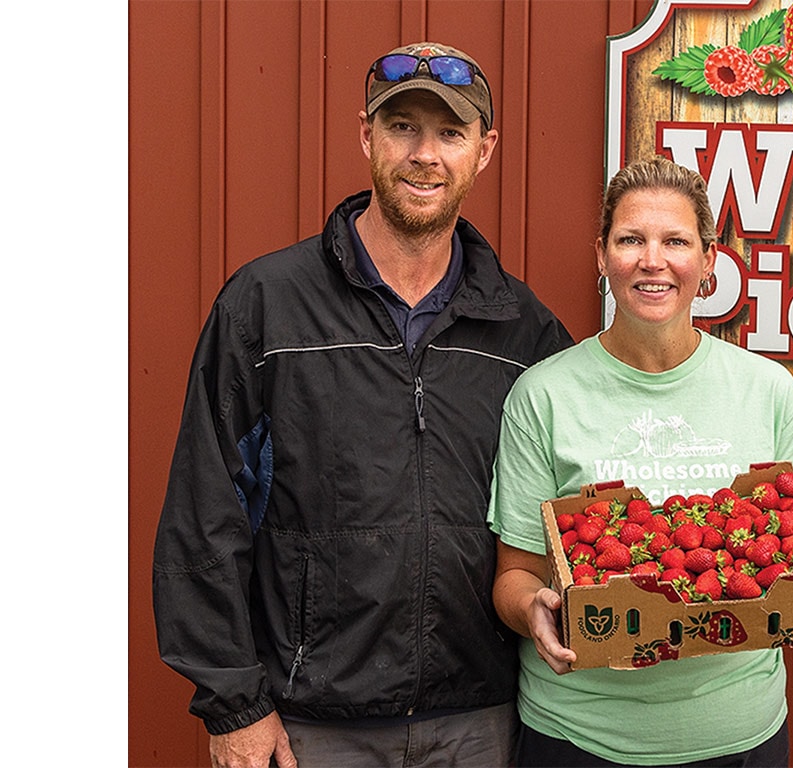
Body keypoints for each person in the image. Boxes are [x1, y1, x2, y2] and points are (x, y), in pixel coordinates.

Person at [152, 41, 574, 768]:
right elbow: (204, 514)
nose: (425, 154)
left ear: (486, 149)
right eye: (402, 126)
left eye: (450, 132)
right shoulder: (266, 307)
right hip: (311, 722)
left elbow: (568, 509)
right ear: (365, 136)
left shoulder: (523, 331)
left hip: (477, 718)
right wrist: (234, 706)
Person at [488, 156, 793, 767]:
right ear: (601, 256)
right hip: (579, 737)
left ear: (708, 260)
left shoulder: (766, 389)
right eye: (631, 240)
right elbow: (514, 574)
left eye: (675, 241)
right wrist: (535, 612)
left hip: (740, 735)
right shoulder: (544, 396)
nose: (652, 261)